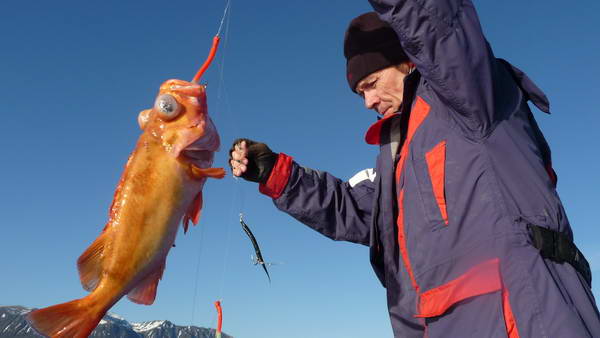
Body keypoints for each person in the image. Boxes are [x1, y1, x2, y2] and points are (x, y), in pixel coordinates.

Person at [229, 1, 600, 337]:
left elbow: (432, 19)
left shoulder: (467, 96)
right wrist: (276, 173)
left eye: (371, 84)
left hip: (523, 314)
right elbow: (355, 211)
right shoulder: (397, 157)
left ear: (408, 58)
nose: (368, 101)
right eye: (360, 93)